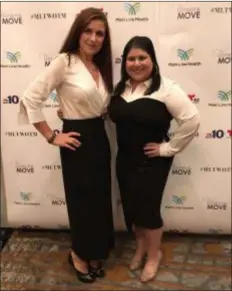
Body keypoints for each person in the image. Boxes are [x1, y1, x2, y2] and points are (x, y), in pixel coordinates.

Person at [18, 7, 115, 283]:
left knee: (99, 200)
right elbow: (30, 98)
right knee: (81, 200)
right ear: (78, 32)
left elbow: (98, 105)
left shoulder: (99, 66)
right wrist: (51, 135)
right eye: (88, 31)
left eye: (100, 33)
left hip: (98, 136)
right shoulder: (65, 62)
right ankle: (79, 254)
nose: (94, 38)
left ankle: (96, 250)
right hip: (76, 139)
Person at [108, 36, 200, 282]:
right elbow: (108, 112)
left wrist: (167, 149)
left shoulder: (167, 88)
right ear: (124, 62)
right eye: (131, 59)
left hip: (152, 162)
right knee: (132, 209)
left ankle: (153, 255)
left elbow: (192, 120)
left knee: (148, 212)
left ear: (152, 60)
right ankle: (140, 247)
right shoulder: (121, 88)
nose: (136, 64)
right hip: (125, 160)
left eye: (142, 58)